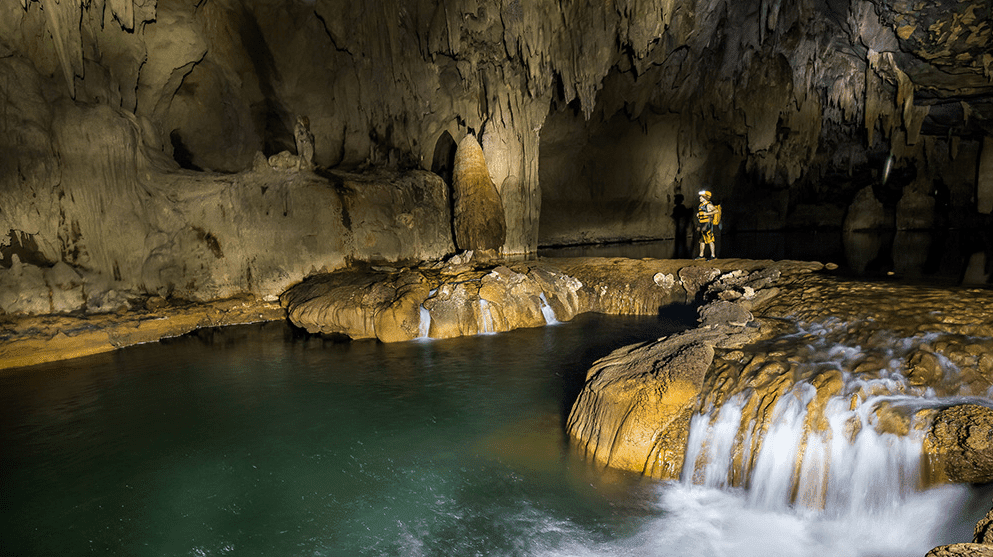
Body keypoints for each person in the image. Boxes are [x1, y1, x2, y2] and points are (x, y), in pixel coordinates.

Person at [695, 190, 718, 260]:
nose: (700, 198)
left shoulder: (709, 205)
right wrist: (699, 215)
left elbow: (716, 211)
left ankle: (713, 256)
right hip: (702, 224)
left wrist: (706, 214)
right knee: (702, 240)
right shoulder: (701, 205)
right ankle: (701, 255)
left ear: (705, 198)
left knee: (710, 239)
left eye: (701, 197)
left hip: (707, 224)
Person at [671, 194, 692, 258]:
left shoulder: (680, 208)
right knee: (681, 241)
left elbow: (681, 216)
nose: (674, 200)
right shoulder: (679, 208)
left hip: (681, 226)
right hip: (680, 226)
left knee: (680, 240)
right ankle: (681, 255)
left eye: (676, 199)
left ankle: (679, 256)